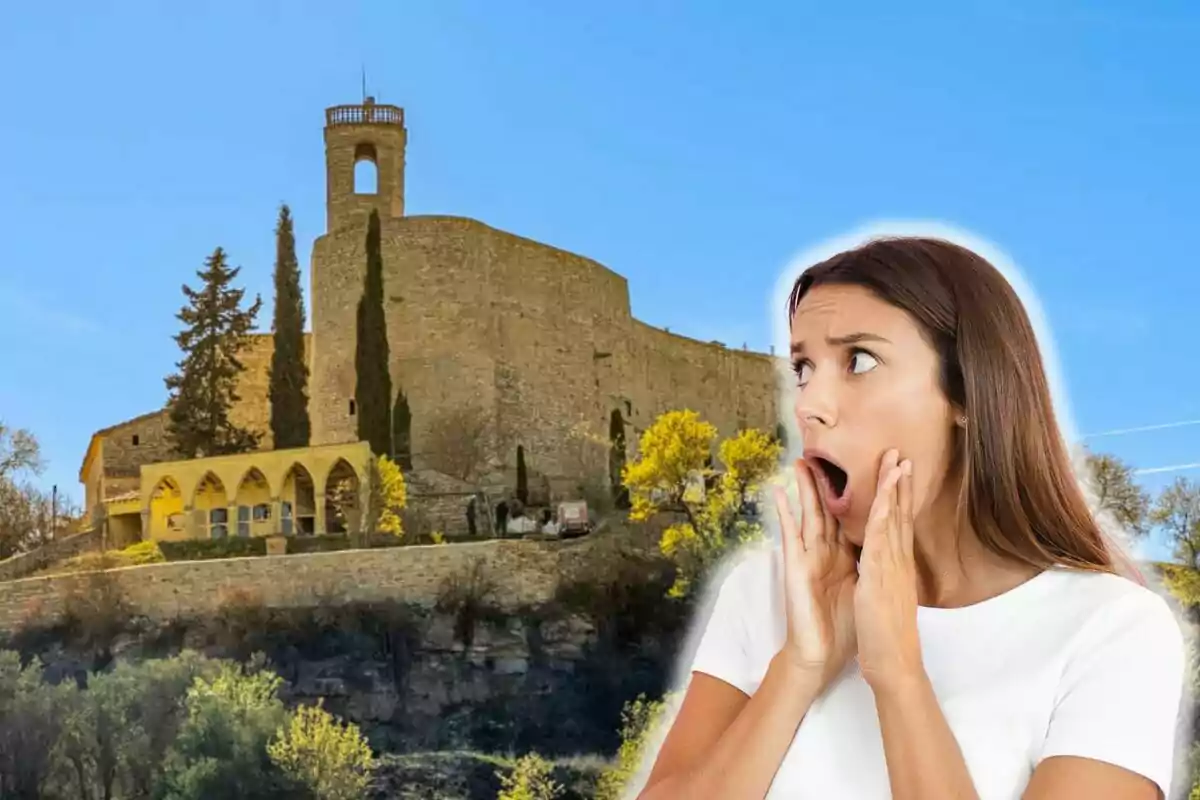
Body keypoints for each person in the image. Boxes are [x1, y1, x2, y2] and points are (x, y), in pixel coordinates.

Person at [638, 237, 1185, 799]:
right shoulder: (765, 595)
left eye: (859, 360)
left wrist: (898, 673)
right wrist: (799, 666)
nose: (807, 404)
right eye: (803, 367)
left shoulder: (1112, 631)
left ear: (969, 391)